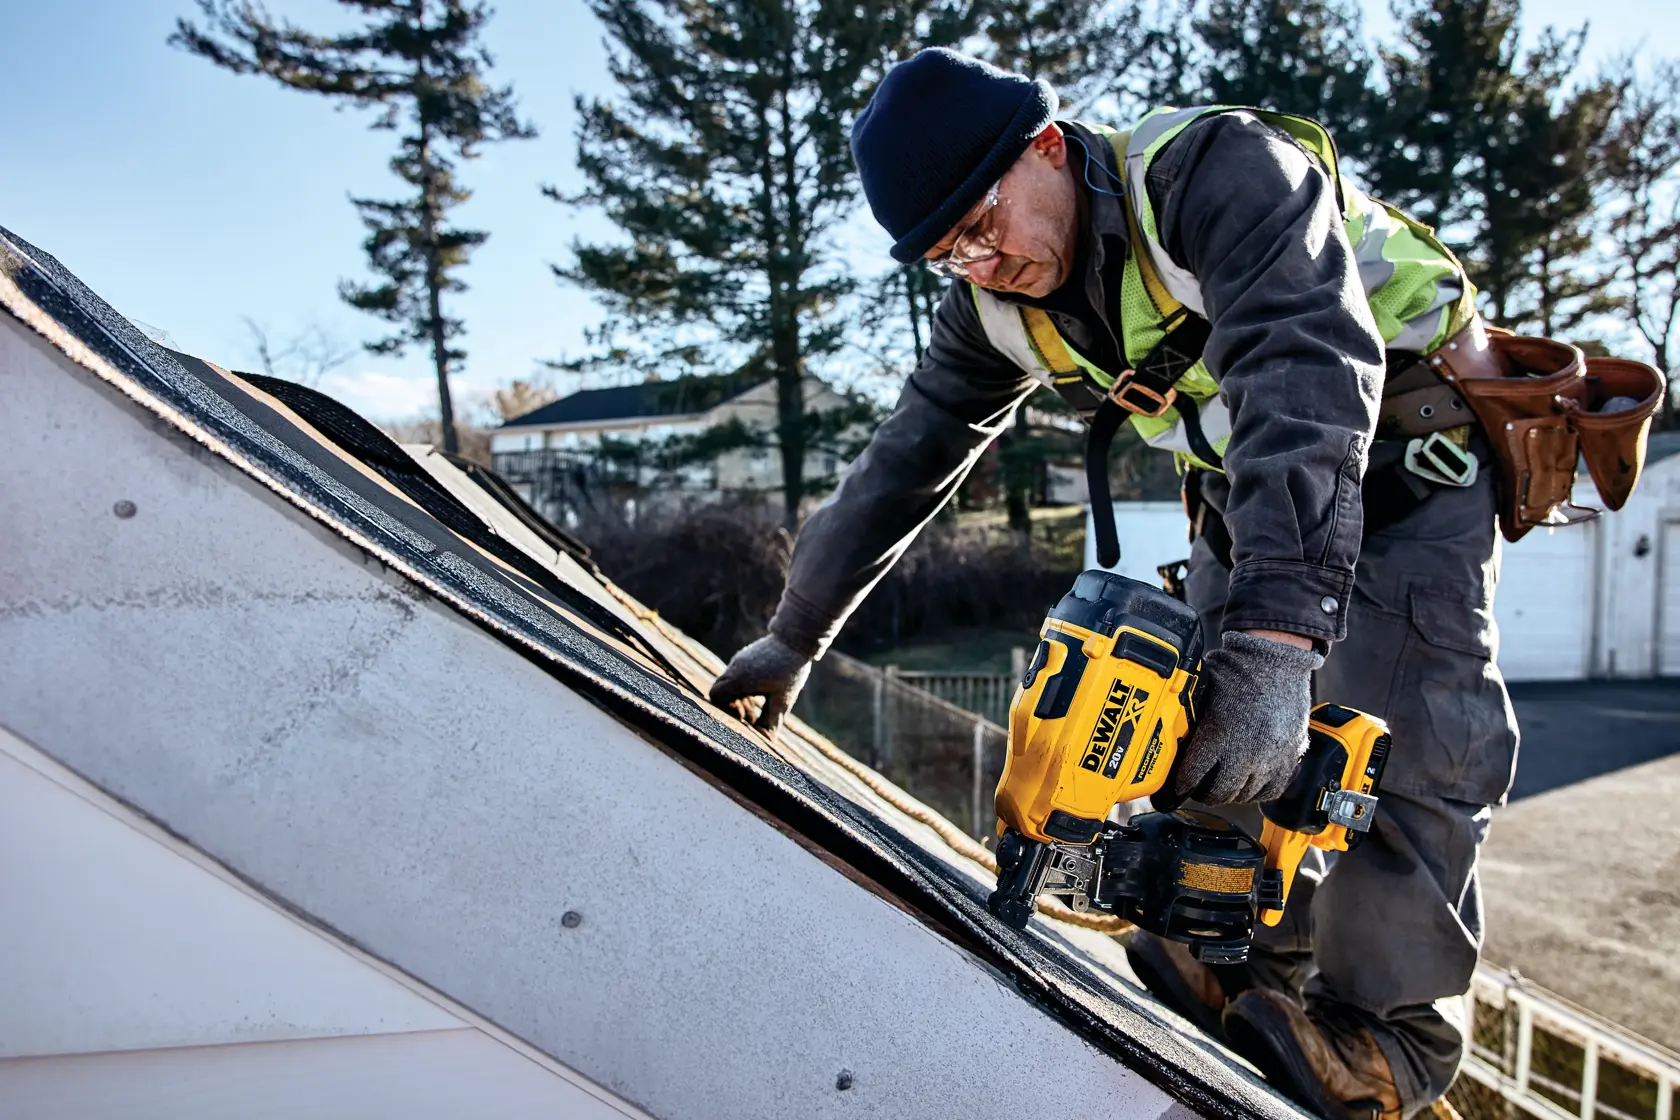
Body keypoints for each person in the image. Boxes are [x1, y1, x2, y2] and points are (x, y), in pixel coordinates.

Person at [709, 47, 1518, 1120]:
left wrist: (1281, 639)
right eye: (952, 256)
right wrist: (795, 632)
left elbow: (1304, 370)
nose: (984, 263)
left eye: (986, 225)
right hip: (1250, 479)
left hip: (1405, 452)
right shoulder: (996, 308)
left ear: (1046, 145)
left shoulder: (1214, 174)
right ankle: (1231, 954)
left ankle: (1385, 1042)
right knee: (1216, 725)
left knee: (1408, 731)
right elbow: (904, 457)